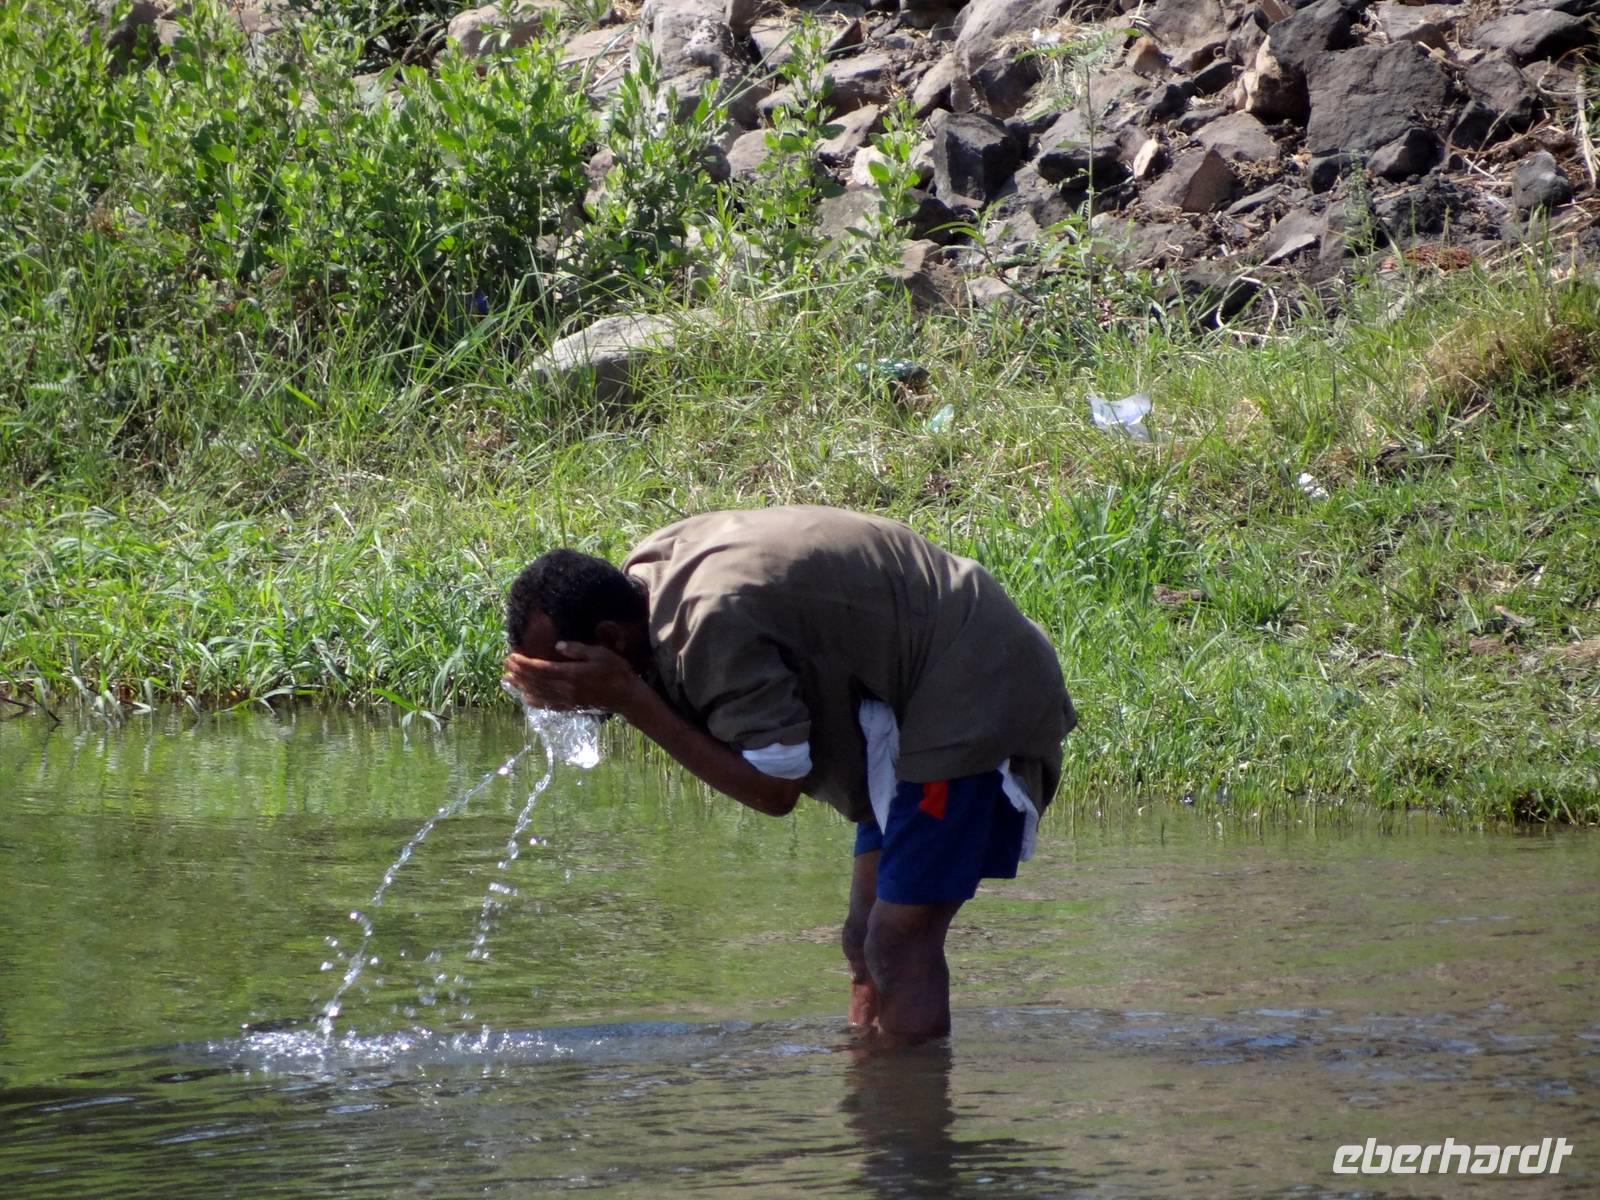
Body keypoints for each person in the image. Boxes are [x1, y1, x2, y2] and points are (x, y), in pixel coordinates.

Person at [502, 506, 1075, 1043]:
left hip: (971, 685)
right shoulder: (642, 589)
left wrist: (629, 700)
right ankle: (872, 1093)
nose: (556, 691)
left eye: (557, 671)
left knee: (899, 942)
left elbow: (776, 790)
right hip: (904, 704)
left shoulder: (709, 624)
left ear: (608, 640)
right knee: (863, 940)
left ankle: (912, 1113)